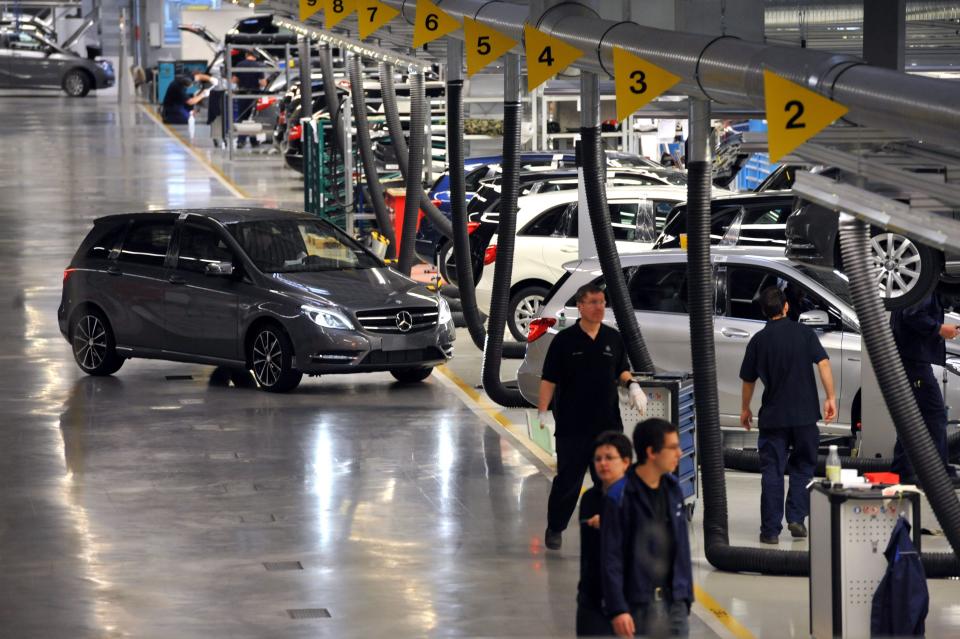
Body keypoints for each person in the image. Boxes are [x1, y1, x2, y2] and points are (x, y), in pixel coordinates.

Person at [539, 283, 646, 550]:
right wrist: (543, 412)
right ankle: (555, 527)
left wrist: (633, 385)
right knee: (568, 480)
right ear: (580, 306)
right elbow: (549, 380)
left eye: (602, 303)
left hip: (607, 426)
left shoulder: (613, 338)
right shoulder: (564, 341)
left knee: (610, 481)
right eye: (594, 302)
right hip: (573, 426)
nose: (600, 308)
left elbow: (621, 369)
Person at [739, 286, 837, 544]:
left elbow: (748, 380)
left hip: (773, 417)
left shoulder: (758, 341)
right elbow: (823, 363)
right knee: (803, 466)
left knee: (772, 471)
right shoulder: (804, 334)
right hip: (805, 415)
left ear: (763, 310)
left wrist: (745, 408)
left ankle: (770, 531)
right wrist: (830, 397)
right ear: (786, 307)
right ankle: (796, 518)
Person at [601, 418, 692, 638]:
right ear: (651, 452)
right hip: (636, 606)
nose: (679, 453)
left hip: (675, 603)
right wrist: (618, 608)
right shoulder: (619, 495)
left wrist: (685, 596)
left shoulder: (674, 490)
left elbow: (682, 546)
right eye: (672, 447)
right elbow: (610, 557)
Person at [890, 293, 959, 482]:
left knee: (912, 416)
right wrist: (939, 329)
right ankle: (937, 472)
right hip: (913, 361)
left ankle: (903, 470)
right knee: (934, 414)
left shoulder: (921, 286)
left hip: (910, 360)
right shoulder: (926, 287)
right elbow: (912, 314)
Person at [577, 431, 633, 637]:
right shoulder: (590, 499)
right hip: (591, 597)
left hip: (629, 598)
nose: (602, 464)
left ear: (626, 462)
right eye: (598, 459)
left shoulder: (637, 498)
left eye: (609, 458)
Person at [231, 50, 267, 148]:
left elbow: (234, 80)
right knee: (253, 118)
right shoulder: (258, 66)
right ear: (255, 56)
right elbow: (263, 83)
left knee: (242, 118)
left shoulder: (239, 65)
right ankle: (253, 141)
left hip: (242, 94)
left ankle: (241, 141)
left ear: (246, 55)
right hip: (254, 95)